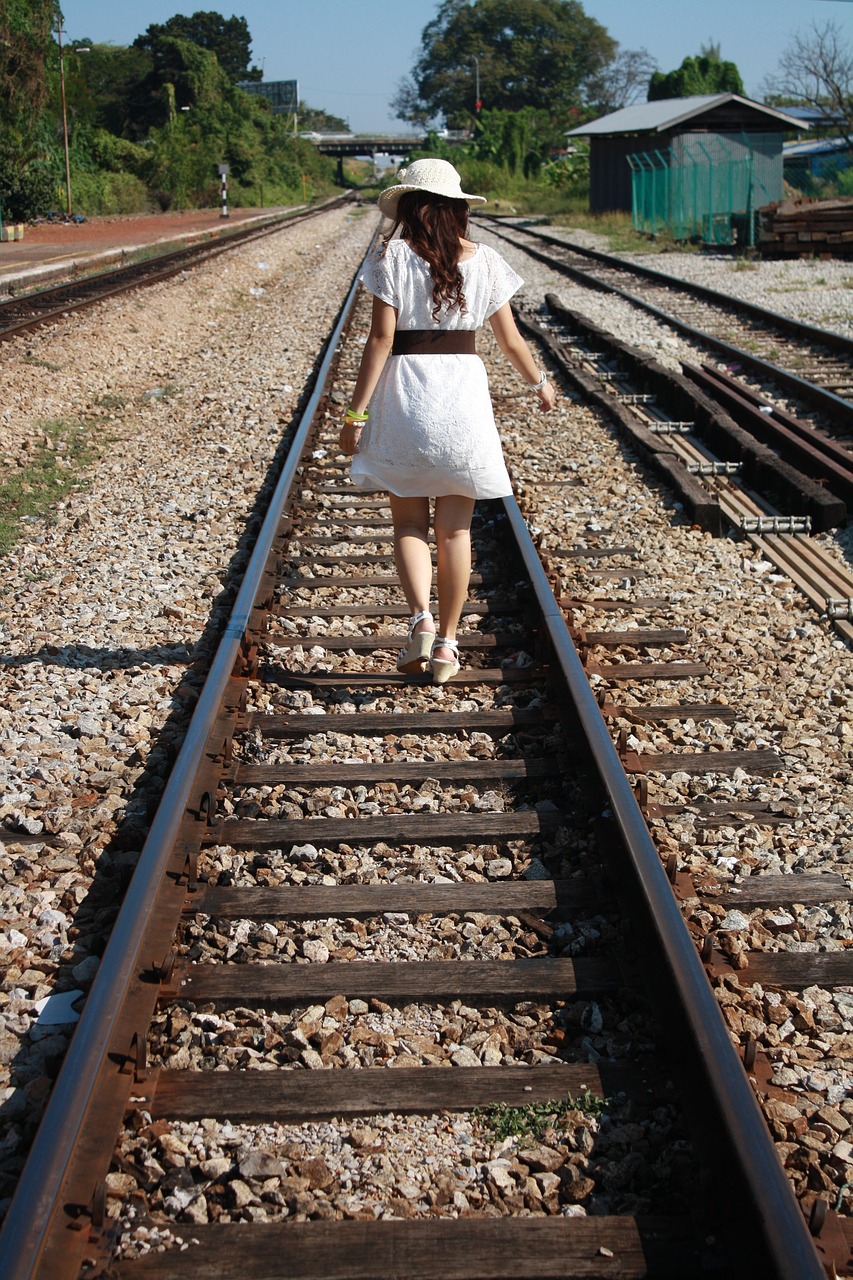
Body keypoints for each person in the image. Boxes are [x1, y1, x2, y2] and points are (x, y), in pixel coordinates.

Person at [339, 158, 556, 683]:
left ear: (409, 207)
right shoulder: (484, 262)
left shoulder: (390, 255)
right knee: (456, 534)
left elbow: (380, 341)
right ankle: (449, 646)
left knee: (409, 522)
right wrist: (541, 384)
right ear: (459, 209)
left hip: (407, 397)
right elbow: (510, 340)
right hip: (462, 401)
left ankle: (419, 621)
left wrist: (354, 414)